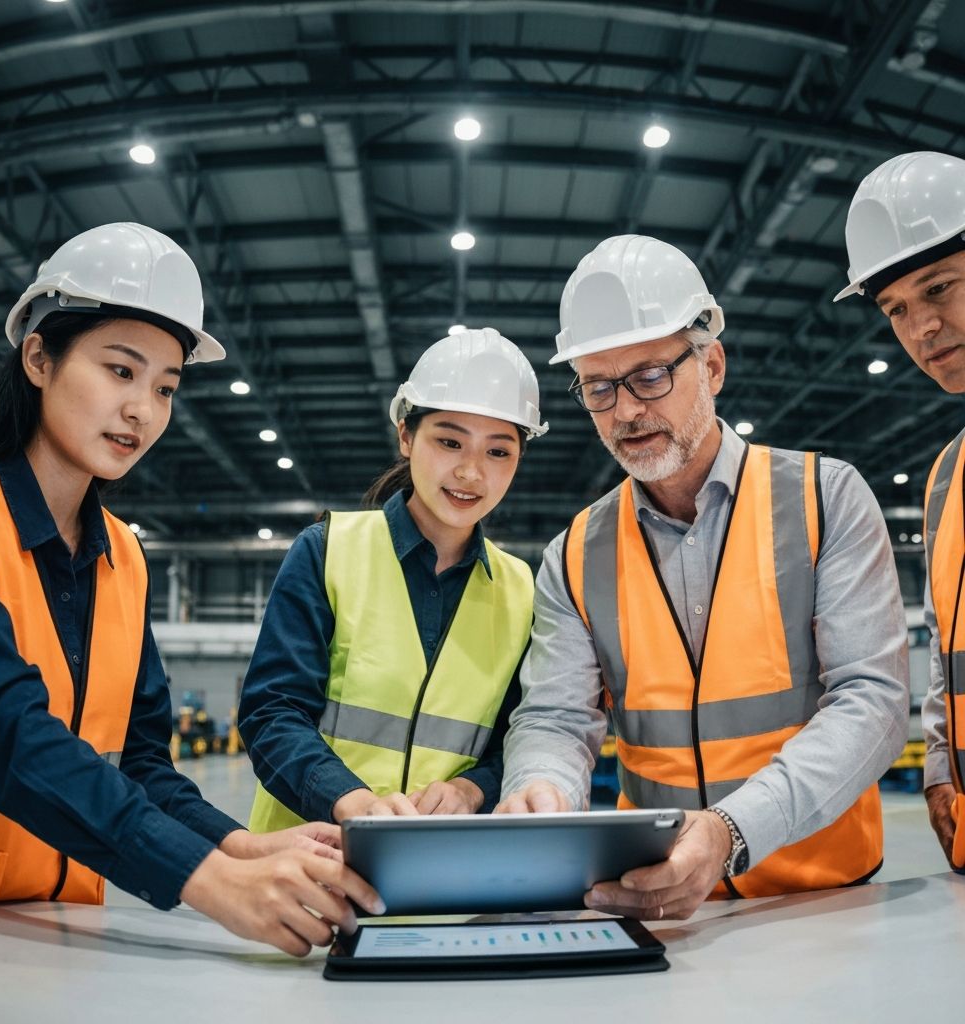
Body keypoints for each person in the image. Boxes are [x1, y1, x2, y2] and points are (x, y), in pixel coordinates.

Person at [0, 222, 382, 955]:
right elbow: (5, 732)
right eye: (120, 370)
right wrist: (211, 882)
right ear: (39, 358)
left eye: (165, 387)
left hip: (57, 932)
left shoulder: (125, 556)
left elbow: (142, 763)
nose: (143, 409)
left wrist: (243, 848)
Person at [497, 234, 909, 918]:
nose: (627, 410)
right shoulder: (573, 553)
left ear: (711, 366)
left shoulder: (823, 499)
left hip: (821, 900)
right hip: (652, 905)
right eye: (600, 387)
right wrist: (541, 789)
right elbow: (557, 718)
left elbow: (873, 700)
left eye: (651, 375)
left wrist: (733, 830)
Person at [239, 327, 547, 830]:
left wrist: (473, 790)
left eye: (498, 451)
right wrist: (349, 800)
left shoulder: (521, 590)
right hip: (312, 865)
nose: (472, 473)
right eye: (450, 441)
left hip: (445, 884)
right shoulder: (327, 551)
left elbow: (518, 735)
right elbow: (271, 714)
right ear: (406, 435)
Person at [835, 151, 965, 871]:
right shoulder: (948, 476)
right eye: (897, 311)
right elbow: (948, 653)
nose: (923, 329)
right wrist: (941, 770)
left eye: (939, 288)